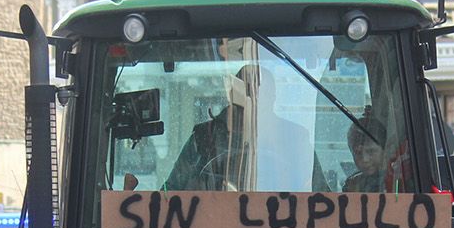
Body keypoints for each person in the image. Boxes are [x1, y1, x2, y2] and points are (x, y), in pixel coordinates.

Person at [165, 64, 328, 190]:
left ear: (273, 97)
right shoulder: (204, 138)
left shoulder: (295, 138)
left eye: (260, 92)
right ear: (233, 95)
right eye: (248, 91)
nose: (254, 98)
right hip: (214, 222)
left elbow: (319, 194)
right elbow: (171, 192)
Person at [342, 117, 388, 192]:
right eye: (358, 152)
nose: (365, 159)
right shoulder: (352, 185)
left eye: (371, 151)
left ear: (385, 151)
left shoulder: (397, 181)